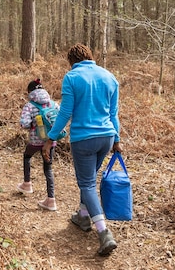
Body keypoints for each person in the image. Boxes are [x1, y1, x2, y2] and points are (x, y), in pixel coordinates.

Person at [42, 43, 122, 257]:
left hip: (83, 139)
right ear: (90, 56)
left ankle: (104, 233)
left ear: (72, 62)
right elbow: (114, 113)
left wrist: (50, 138)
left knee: (86, 183)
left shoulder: (72, 77)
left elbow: (66, 111)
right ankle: (83, 216)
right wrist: (117, 139)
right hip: (106, 137)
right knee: (89, 179)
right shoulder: (109, 76)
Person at [17, 78, 58, 211]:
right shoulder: (53, 103)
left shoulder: (29, 105)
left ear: (30, 92)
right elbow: (62, 117)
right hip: (50, 142)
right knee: (48, 168)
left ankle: (27, 184)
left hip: (35, 141)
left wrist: (31, 125)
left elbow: (24, 124)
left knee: (27, 156)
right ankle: (51, 200)